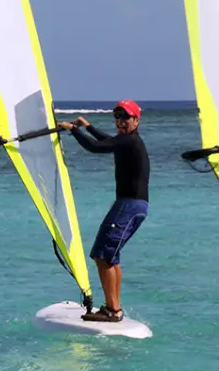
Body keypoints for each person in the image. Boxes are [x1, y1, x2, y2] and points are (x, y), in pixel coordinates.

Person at [57, 99, 150, 323]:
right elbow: (108, 141)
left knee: (102, 254)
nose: (120, 121)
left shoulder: (130, 141)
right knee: (110, 256)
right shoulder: (128, 141)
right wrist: (87, 127)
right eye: (117, 117)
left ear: (136, 120)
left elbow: (95, 147)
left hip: (130, 204)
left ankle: (113, 310)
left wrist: (73, 131)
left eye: (125, 117)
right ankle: (113, 307)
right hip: (131, 205)